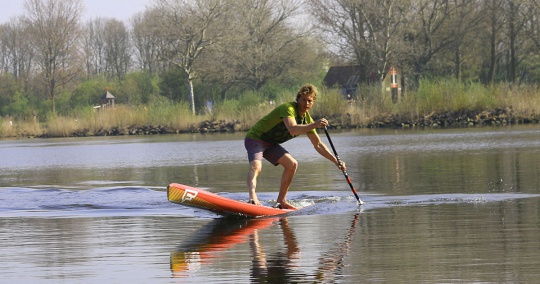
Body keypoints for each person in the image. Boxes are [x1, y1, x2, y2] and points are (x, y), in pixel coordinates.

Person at [244, 84, 346, 209]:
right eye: (303, 99)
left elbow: (318, 144)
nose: (306, 103)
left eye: (310, 101)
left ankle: (281, 201)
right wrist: (315, 124)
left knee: (292, 164)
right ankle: (252, 198)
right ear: (298, 99)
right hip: (255, 138)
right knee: (256, 166)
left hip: (271, 144)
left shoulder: (307, 119)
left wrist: (336, 161)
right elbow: (292, 129)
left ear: (313, 103)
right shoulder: (288, 108)